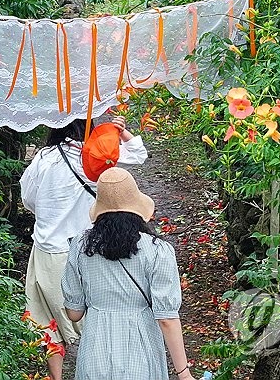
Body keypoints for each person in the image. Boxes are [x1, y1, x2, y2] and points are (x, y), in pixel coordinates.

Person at [19, 114, 147, 380]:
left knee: (46, 321)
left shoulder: (43, 158)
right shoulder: (94, 157)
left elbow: (27, 198)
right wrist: (120, 131)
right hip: (85, 250)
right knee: (92, 320)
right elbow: (139, 154)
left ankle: (56, 377)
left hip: (46, 249)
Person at [61, 168, 193, 380]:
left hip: (95, 352)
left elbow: (74, 313)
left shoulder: (80, 245)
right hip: (141, 351)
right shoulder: (158, 250)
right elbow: (167, 319)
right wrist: (183, 373)